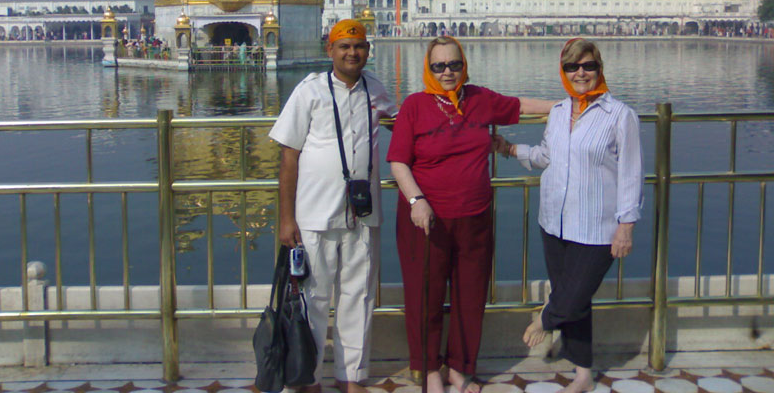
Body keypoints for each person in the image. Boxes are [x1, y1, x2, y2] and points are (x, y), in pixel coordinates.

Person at [387, 36, 555, 393]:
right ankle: (429, 369)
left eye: (454, 64)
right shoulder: (415, 105)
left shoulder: (478, 99)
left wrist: (568, 105)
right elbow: (398, 161)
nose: (447, 72)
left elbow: (520, 105)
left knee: (471, 295)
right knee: (425, 296)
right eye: (439, 66)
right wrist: (417, 200)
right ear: (428, 69)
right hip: (426, 219)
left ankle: (460, 368)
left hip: (474, 215)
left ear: (463, 66)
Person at [503, 38, 643, 393]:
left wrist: (626, 226)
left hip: (597, 226)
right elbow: (547, 156)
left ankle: (546, 317)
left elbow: (631, 173)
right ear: (563, 71)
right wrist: (510, 149)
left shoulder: (620, 115)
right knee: (577, 301)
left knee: (574, 294)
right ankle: (583, 374)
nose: (580, 73)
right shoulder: (559, 111)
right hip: (555, 220)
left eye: (587, 65)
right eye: (572, 67)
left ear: (599, 68)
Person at [269, 19, 397, 393]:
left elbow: (400, 123)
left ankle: (351, 376)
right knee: (312, 299)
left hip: (362, 215)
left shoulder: (375, 88)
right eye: (344, 47)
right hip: (315, 215)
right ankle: (308, 378)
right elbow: (288, 157)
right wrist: (286, 219)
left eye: (358, 47)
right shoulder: (309, 91)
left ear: (367, 51)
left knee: (359, 297)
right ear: (330, 51)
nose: (352, 53)